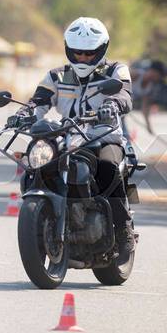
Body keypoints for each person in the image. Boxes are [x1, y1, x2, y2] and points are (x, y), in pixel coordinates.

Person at [26, 16, 135, 255]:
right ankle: (42, 219)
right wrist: (25, 113)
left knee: (108, 167)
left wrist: (112, 105)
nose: (83, 58)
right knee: (36, 163)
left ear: (101, 49)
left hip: (103, 136)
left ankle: (123, 228)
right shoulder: (57, 76)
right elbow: (39, 100)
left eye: (89, 53)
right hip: (66, 138)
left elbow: (124, 95)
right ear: (68, 49)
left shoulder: (115, 70)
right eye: (77, 53)